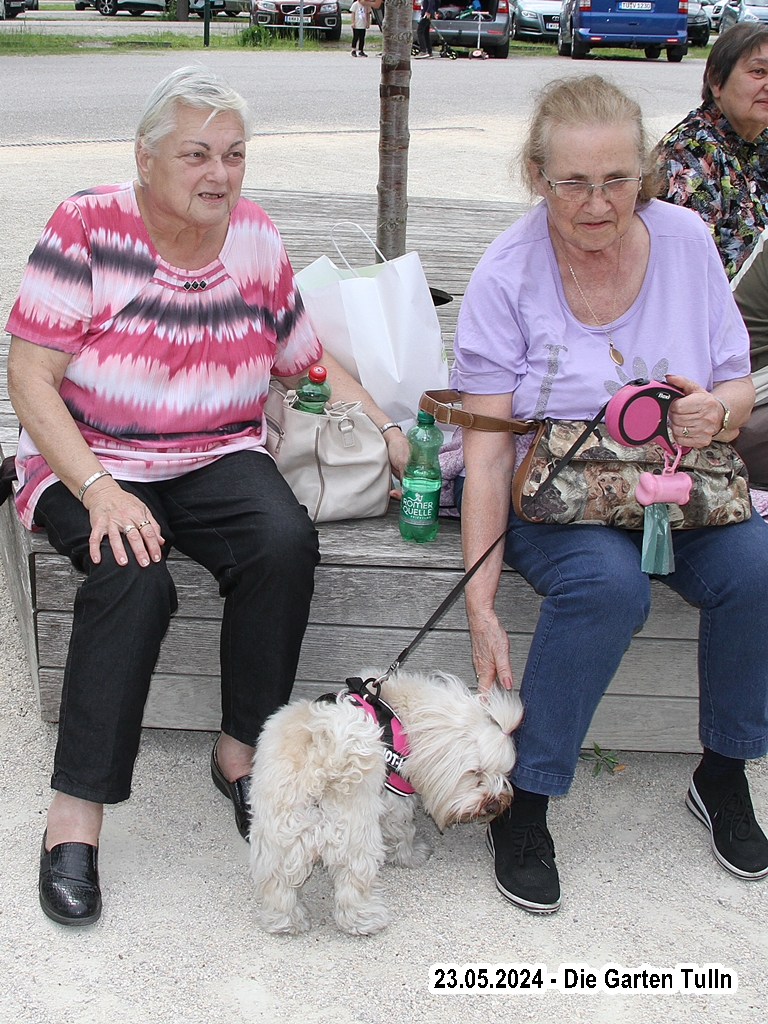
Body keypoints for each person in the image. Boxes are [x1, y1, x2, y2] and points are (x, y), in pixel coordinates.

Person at [6, 65, 409, 927]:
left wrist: (384, 426)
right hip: (91, 455)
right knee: (131, 573)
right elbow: (30, 377)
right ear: (145, 158)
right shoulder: (86, 226)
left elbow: (303, 360)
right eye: (196, 154)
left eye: (233, 154)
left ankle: (239, 752)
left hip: (215, 451)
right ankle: (75, 814)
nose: (218, 174)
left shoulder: (254, 237)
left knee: (282, 544)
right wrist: (98, 488)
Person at [452, 74, 768, 915]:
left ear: (646, 172)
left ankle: (723, 771)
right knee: (607, 586)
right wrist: (481, 604)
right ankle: (526, 799)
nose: (598, 204)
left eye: (618, 180)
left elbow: (738, 387)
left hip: (677, 485)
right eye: (574, 183)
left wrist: (714, 410)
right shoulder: (506, 271)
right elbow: (487, 451)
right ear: (536, 176)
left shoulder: (688, 240)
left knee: (756, 564)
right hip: (558, 494)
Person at [657, 23, 768, 487]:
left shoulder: (760, 145)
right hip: (710, 361)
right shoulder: (689, 156)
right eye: (758, 71)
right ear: (716, 81)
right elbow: (677, 288)